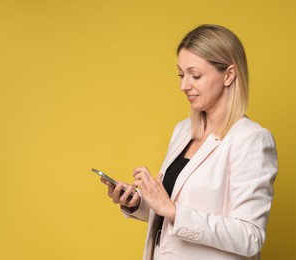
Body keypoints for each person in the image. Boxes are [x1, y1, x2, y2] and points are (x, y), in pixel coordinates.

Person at [101, 24, 278, 260]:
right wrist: (139, 203)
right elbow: (171, 217)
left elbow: (250, 237)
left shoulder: (251, 139)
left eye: (195, 75)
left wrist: (172, 210)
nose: (183, 85)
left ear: (229, 75)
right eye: (181, 74)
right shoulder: (183, 130)